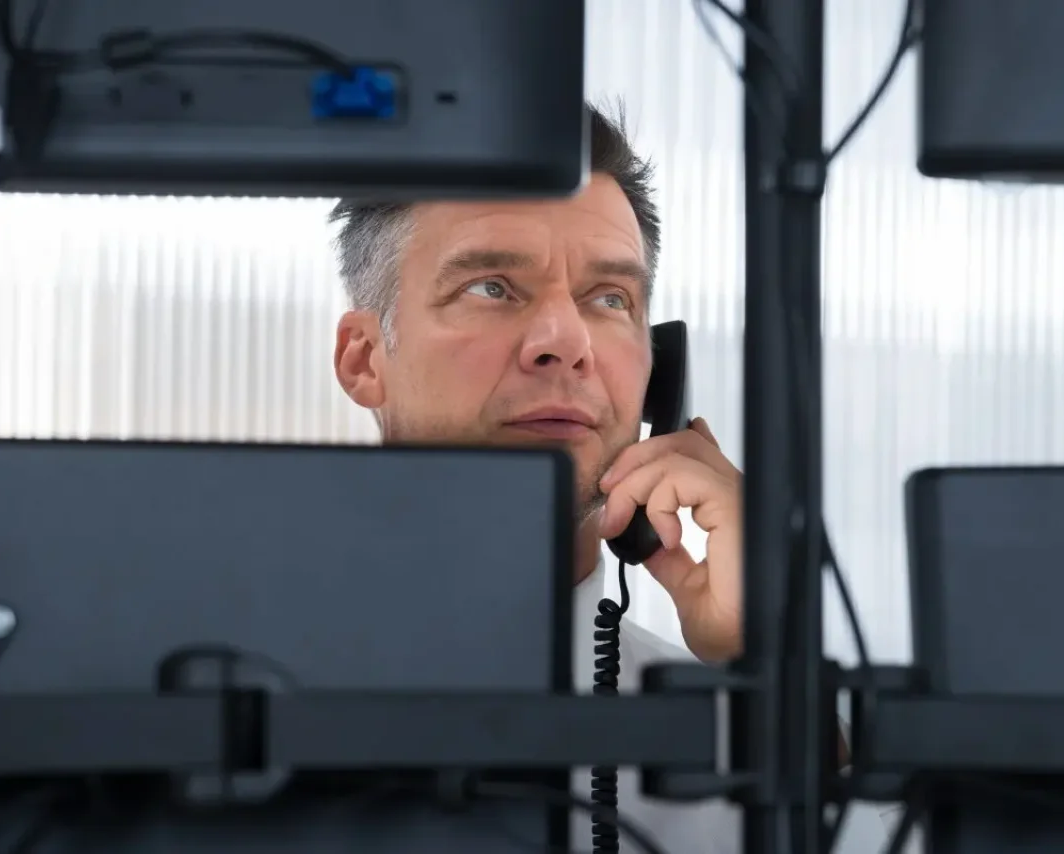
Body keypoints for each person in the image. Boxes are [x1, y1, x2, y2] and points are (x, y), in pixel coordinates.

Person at [328, 104, 855, 852]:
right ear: (363, 358)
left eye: (610, 300)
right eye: (492, 286)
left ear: (655, 372)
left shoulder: (741, 745)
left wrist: (772, 671)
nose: (566, 343)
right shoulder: (198, 699)